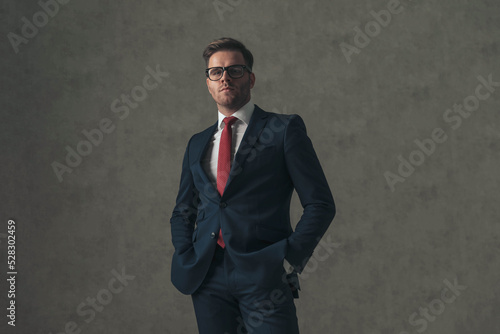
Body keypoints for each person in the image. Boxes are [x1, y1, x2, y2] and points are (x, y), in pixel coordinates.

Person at [170, 37, 336, 334]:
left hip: (265, 273)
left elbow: (320, 203)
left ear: (251, 77)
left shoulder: (283, 130)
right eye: (216, 72)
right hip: (208, 276)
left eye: (235, 70)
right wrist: (186, 253)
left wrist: (289, 258)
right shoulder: (197, 142)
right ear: (207, 83)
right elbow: (183, 210)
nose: (225, 78)